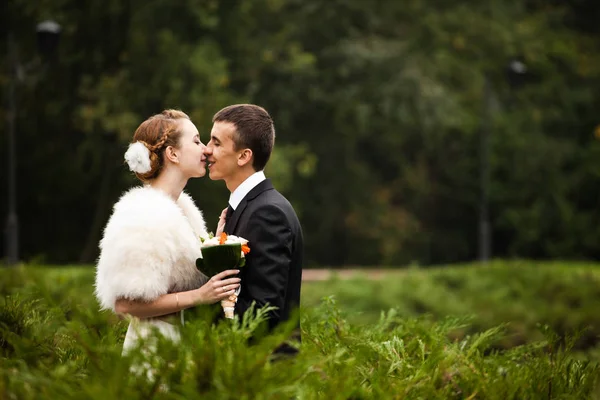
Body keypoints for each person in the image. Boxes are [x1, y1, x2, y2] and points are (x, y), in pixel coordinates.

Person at [94, 109, 241, 354]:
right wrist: (200, 295)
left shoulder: (179, 211)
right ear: (172, 154)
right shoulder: (143, 214)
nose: (206, 149)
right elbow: (125, 303)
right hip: (154, 348)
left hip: (185, 342)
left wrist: (216, 244)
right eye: (196, 141)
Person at [204, 104, 303, 355]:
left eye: (216, 143)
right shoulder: (247, 208)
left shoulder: (267, 213)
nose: (207, 150)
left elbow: (264, 314)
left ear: (243, 156)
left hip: (261, 370)